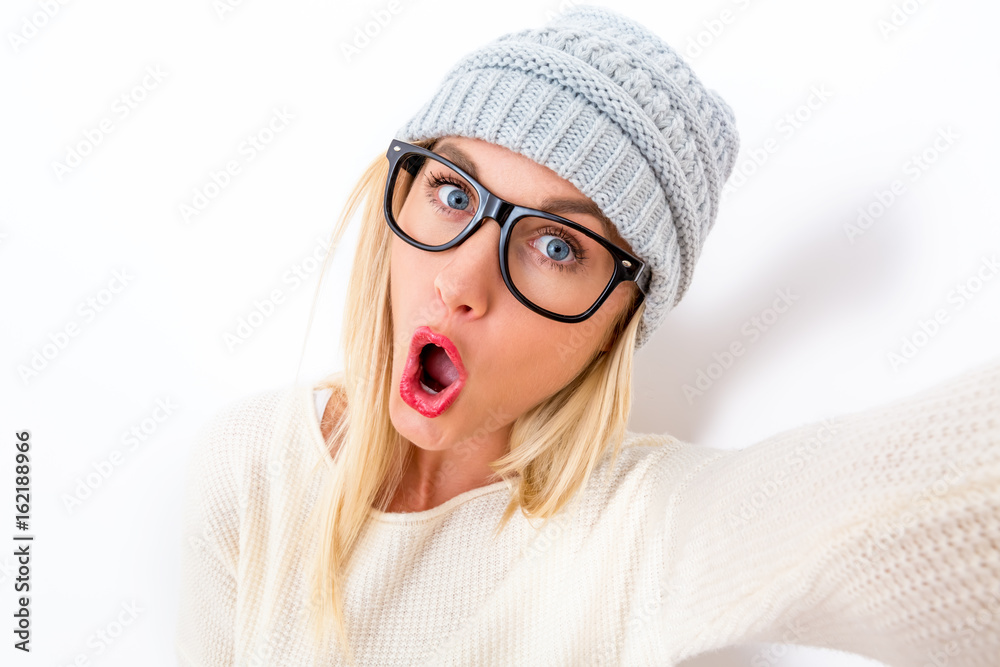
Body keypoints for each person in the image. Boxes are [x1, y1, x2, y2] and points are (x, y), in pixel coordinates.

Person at [175, 5, 1000, 666]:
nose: (461, 282)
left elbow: (874, 509)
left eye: (556, 245)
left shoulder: (637, 533)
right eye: (454, 193)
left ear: (618, 323)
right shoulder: (251, 472)